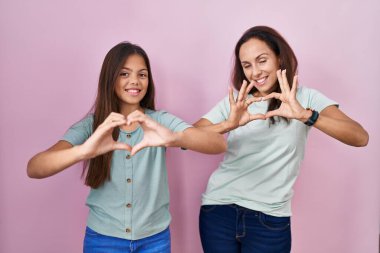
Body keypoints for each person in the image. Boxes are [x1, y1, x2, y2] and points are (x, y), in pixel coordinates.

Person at [27, 42, 226, 253]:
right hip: (103, 240)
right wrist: (84, 151)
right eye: (124, 74)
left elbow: (218, 144)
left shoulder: (160, 121)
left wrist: (174, 138)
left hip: (155, 240)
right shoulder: (92, 126)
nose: (135, 81)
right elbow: (35, 168)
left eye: (142, 74)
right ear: (110, 78)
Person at [195, 26, 369, 253]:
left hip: (270, 217)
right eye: (247, 65)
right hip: (219, 210)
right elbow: (188, 137)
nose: (255, 72)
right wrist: (227, 124)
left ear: (279, 58)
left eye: (262, 60)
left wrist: (307, 115)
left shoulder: (305, 98)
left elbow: (359, 137)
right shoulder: (238, 101)